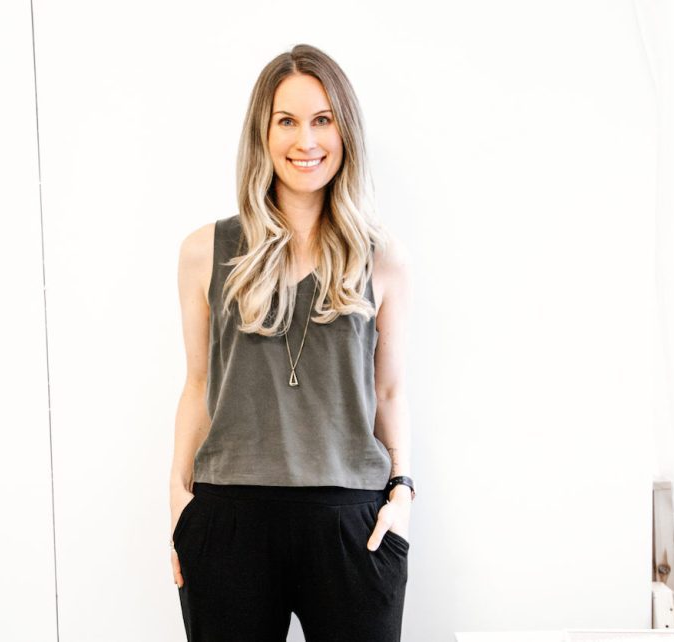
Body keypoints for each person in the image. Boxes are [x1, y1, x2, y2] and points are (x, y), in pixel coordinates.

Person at [168, 43, 414, 642]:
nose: (306, 140)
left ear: (344, 131)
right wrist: (178, 507)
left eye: (322, 119)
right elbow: (198, 383)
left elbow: (389, 390)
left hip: (353, 522)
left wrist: (403, 493)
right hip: (229, 520)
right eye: (287, 121)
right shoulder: (206, 251)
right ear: (263, 132)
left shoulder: (381, 257)